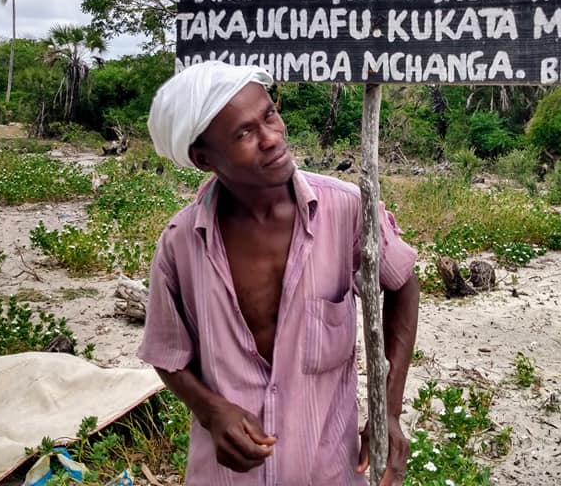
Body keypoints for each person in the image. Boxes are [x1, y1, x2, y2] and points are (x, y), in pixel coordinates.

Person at [139, 60, 420, 486]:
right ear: (203, 159)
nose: (271, 139)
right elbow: (166, 352)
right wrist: (212, 411)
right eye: (244, 134)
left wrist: (389, 411)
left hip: (329, 471)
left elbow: (401, 283)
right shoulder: (181, 242)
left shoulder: (347, 209)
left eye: (269, 114)